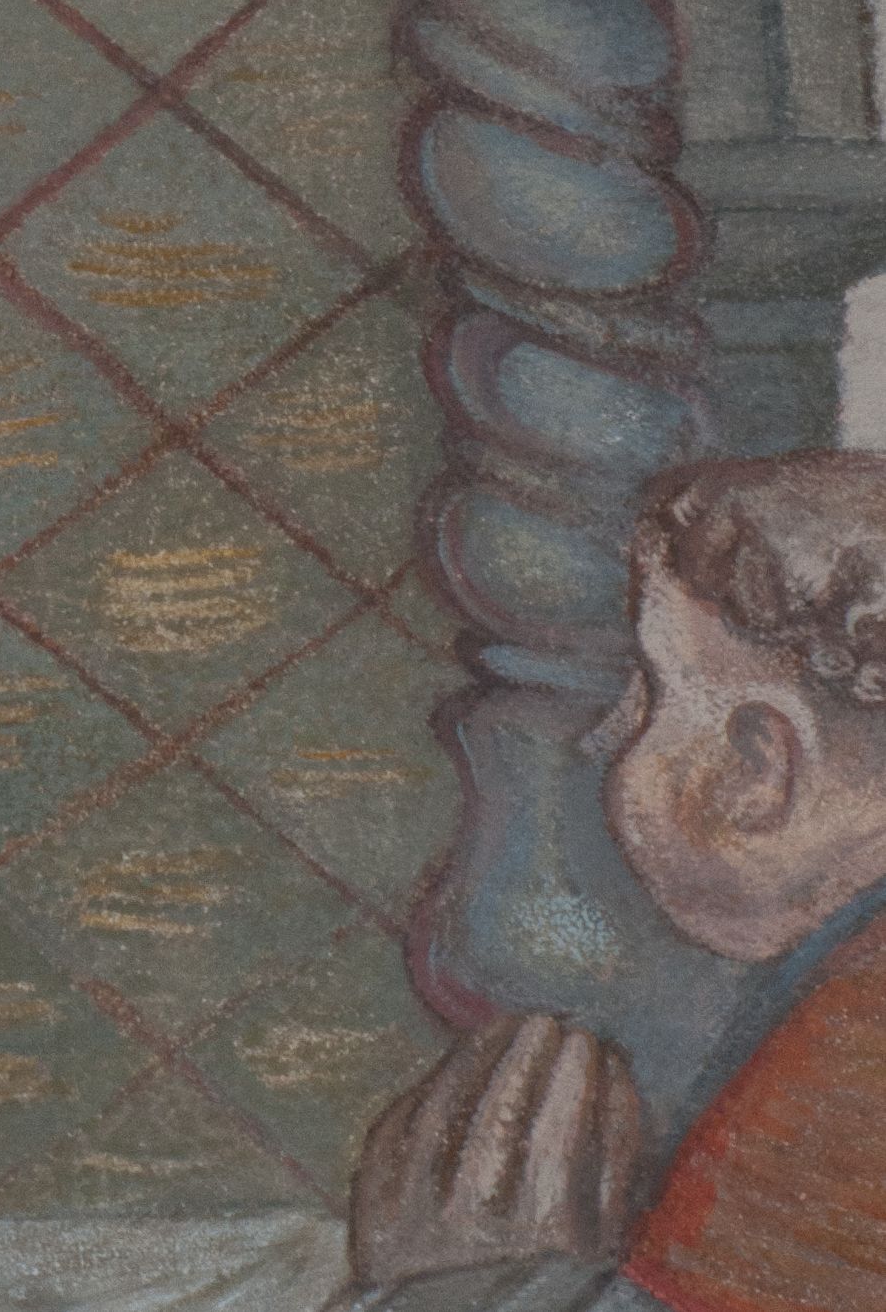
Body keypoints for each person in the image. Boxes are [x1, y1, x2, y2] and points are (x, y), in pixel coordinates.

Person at [352, 449, 886, 1309]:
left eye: (647, 694)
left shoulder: (846, 1073)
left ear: (760, 768)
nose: (607, 736)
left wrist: (461, 1284)